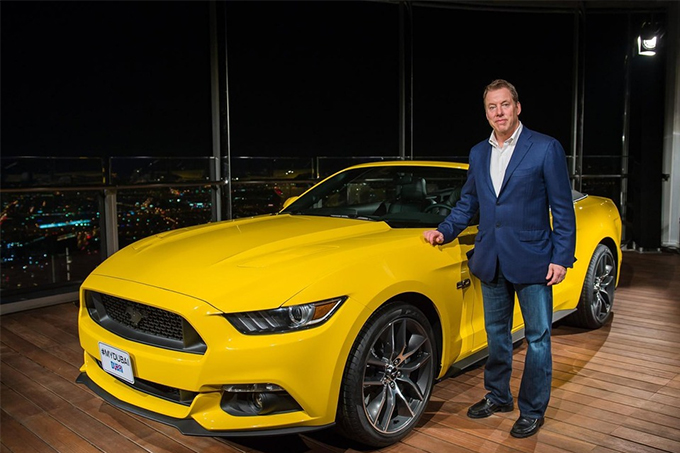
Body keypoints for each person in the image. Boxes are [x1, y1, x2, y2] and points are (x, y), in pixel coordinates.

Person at [423, 79, 576, 438]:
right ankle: (498, 396)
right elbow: (469, 202)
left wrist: (561, 258)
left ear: (517, 107)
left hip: (534, 259)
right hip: (491, 258)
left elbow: (562, 208)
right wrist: (445, 231)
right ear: (486, 113)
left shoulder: (545, 147)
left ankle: (532, 409)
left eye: (505, 105)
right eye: (492, 107)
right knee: (496, 335)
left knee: (538, 338)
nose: (499, 112)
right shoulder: (479, 152)